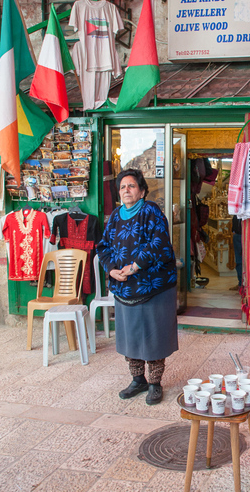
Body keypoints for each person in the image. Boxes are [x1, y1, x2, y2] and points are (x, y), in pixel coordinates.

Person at [96, 169, 178, 404]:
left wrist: (134, 267)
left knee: (154, 335)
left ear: (142, 191)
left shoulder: (151, 211)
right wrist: (112, 269)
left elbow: (159, 243)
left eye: (131, 186)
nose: (126, 190)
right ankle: (138, 380)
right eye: (122, 187)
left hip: (153, 286)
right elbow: (103, 247)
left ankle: (154, 383)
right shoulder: (115, 216)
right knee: (130, 335)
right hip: (125, 288)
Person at [230, 215, 243, 290]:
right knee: (239, 261)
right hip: (238, 234)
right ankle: (241, 283)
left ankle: (242, 284)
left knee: (240, 261)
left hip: (240, 234)